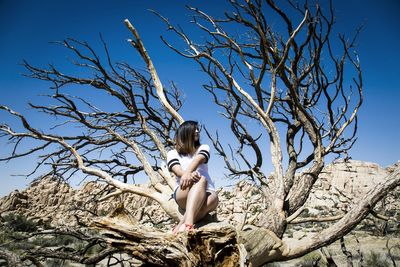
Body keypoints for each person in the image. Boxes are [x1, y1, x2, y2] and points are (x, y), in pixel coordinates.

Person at [167, 120, 219, 233]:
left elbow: (199, 159)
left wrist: (188, 172)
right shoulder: (172, 153)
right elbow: (176, 169)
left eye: (197, 128)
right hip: (184, 190)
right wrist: (187, 175)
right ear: (185, 132)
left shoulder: (203, 147)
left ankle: (182, 224)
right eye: (193, 129)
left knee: (207, 190)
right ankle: (189, 224)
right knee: (202, 179)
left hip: (208, 191)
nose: (197, 131)